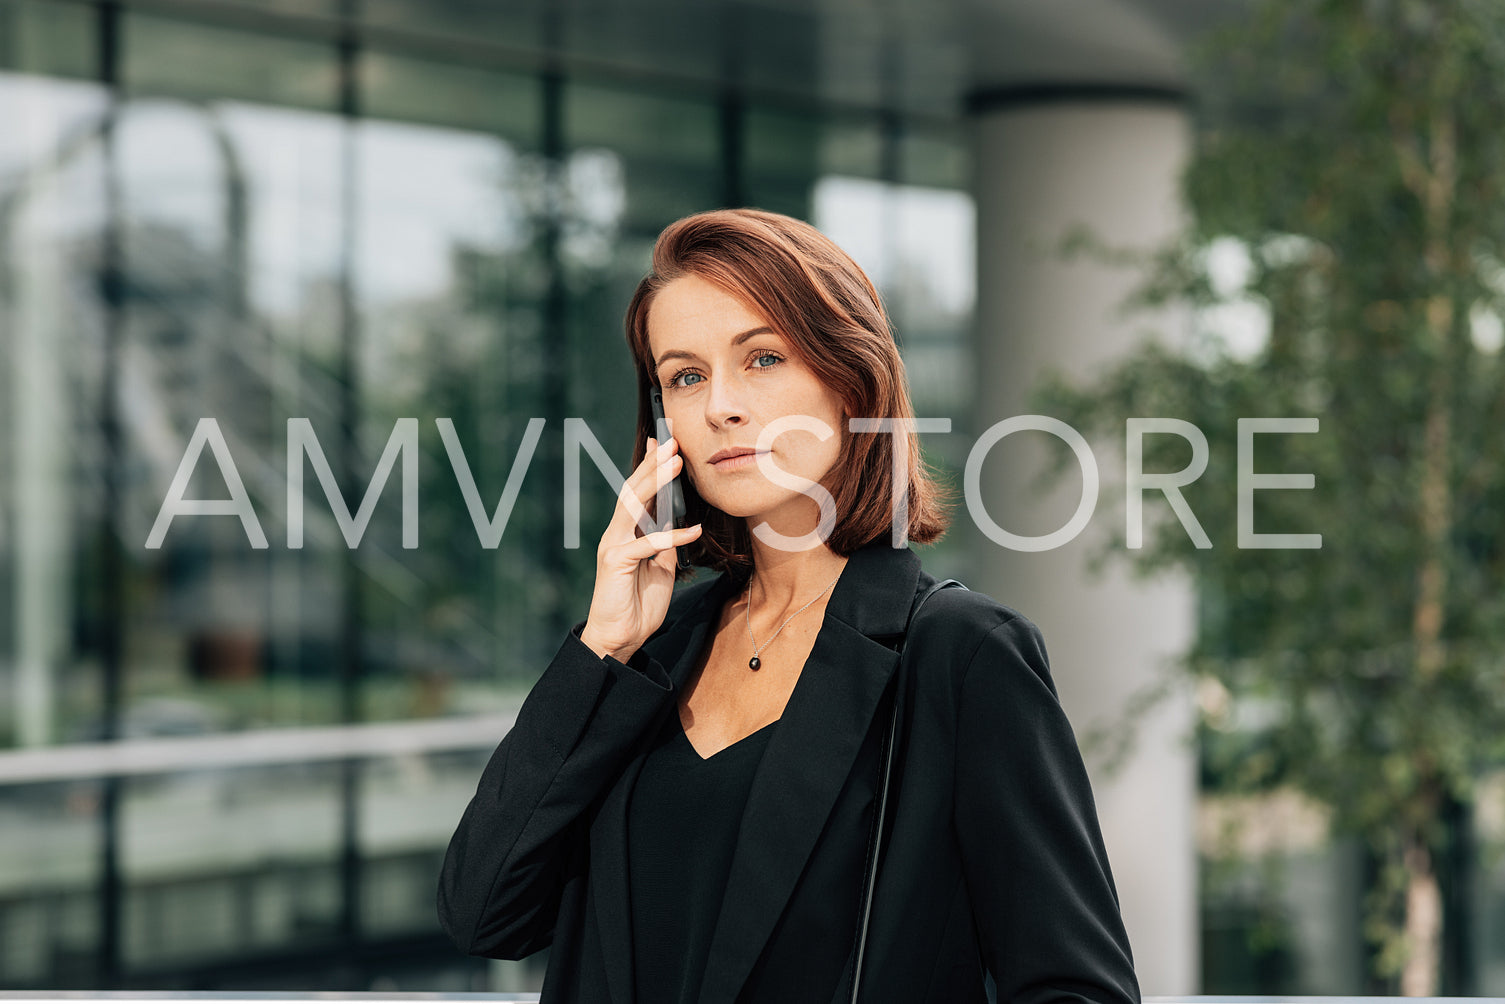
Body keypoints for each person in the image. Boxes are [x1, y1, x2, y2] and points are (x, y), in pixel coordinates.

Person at [437, 208, 1139, 1004]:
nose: (720, 408)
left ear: (848, 380)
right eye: (684, 376)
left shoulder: (959, 653)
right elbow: (483, 914)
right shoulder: (652, 656)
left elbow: (1075, 989)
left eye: (762, 357)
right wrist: (601, 650)